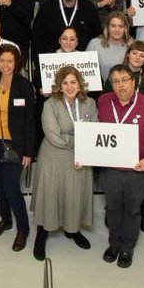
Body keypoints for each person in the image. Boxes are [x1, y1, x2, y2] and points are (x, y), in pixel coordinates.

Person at [98, 63, 144, 268]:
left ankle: (127, 248)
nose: (120, 86)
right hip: (110, 170)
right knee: (112, 208)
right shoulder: (103, 101)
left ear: (134, 81)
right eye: (115, 82)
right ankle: (114, 244)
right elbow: (93, 133)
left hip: (137, 170)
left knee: (132, 210)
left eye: (124, 80)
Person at [32, 65, 96, 260]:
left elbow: (93, 131)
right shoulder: (50, 104)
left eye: (73, 82)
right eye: (65, 83)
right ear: (59, 86)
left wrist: (83, 144)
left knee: (74, 194)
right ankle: (42, 235)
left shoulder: (90, 103)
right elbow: (54, 136)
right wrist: (79, 139)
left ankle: (73, 230)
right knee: (49, 193)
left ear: (80, 84)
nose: (69, 87)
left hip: (80, 157)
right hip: (53, 156)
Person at [0, 44, 36, 252]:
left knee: (12, 187)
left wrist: (29, 152)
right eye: (2, 60)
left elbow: (30, 121)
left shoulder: (24, 85)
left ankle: (23, 228)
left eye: (10, 61)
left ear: (17, 63)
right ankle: (6, 221)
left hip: (15, 145)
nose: (5, 65)